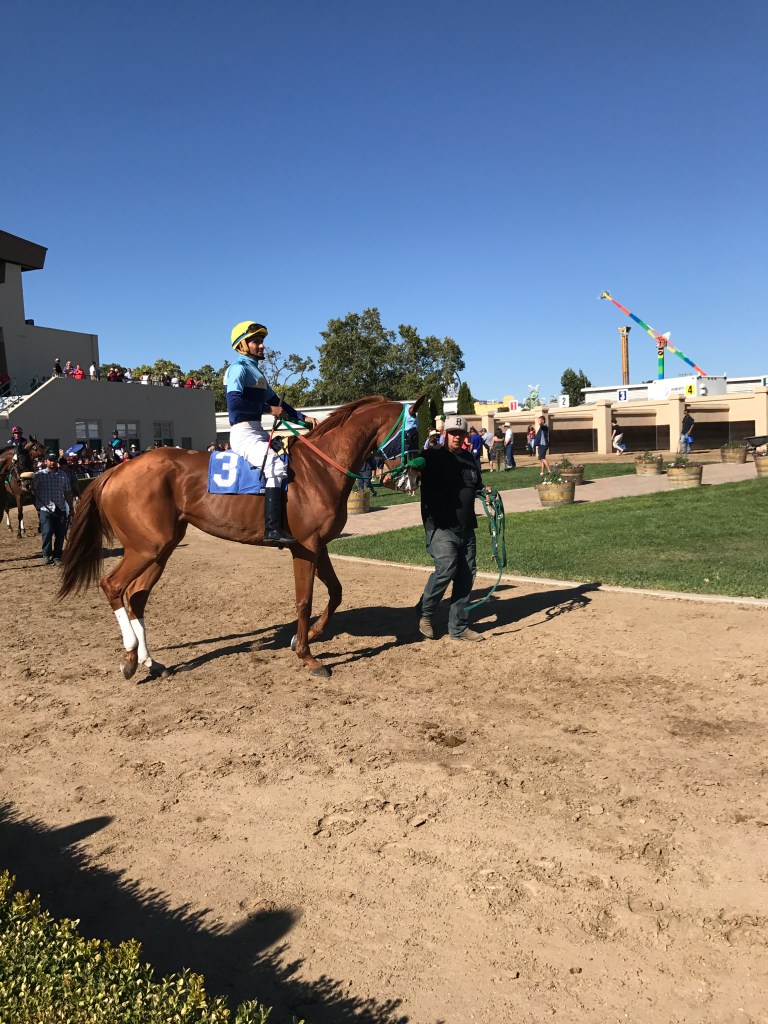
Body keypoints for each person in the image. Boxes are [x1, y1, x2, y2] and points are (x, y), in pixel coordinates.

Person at [224, 321, 318, 546]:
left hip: (258, 431)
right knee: (274, 465)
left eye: (262, 341)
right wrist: (268, 409)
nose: (262, 345)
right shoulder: (238, 368)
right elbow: (234, 404)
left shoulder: (255, 371)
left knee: (292, 457)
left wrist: (303, 418)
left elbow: (278, 403)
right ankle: (272, 528)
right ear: (242, 345)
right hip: (243, 434)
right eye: (256, 341)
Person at [416, 414, 492, 643]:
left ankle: (458, 628)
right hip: (440, 527)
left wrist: (486, 492)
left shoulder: (469, 459)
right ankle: (425, 612)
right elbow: (410, 476)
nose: (457, 437)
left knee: (466, 576)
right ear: (444, 434)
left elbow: (477, 484)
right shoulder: (430, 457)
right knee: (446, 568)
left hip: (466, 527)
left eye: (460, 433)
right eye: (452, 433)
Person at [31, 452, 73, 565]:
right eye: (50, 460)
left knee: (60, 534)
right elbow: (31, 488)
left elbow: (67, 492)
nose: (52, 462)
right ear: (46, 462)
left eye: (54, 460)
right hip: (45, 509)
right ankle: (46, 555)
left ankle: (57, 556)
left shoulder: (63, 475)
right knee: (47, 532)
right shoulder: (39, 475)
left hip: (60, 508)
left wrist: (71, 506)